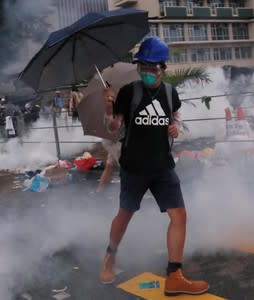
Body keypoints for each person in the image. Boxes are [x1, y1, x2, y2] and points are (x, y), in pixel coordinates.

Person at [99, 37, 209, 296]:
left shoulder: (171, 93)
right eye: (143, 67)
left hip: (162, 166)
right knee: (124, 216)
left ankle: (174, 275)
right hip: (134, 167)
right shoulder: (130, 92)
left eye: (152, 68)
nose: (147, 72)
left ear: (163, 68)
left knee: (179, 216)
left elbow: (174, 119)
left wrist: (175, 128)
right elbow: (113, 128)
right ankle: (109, 257)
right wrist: (108, 104)